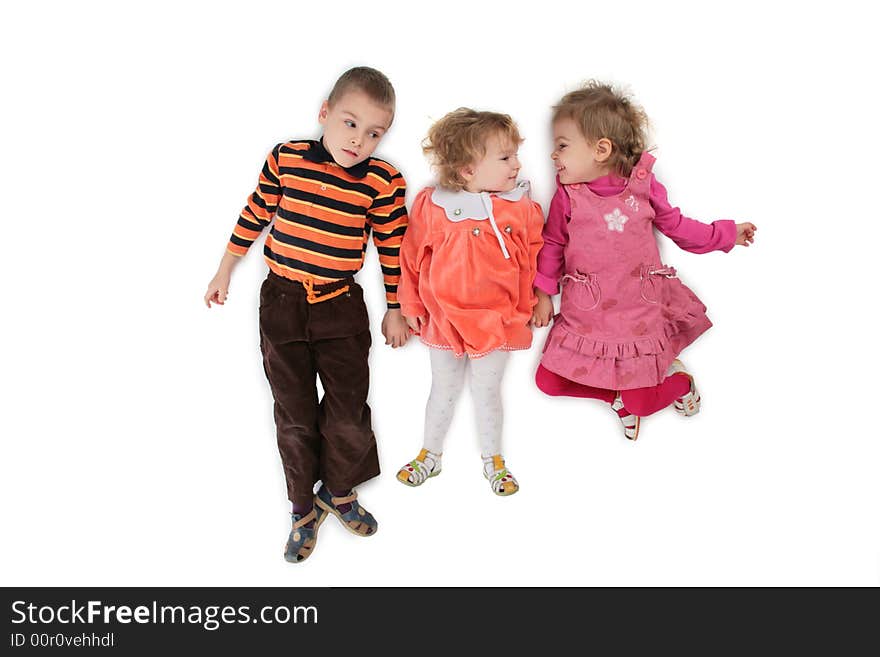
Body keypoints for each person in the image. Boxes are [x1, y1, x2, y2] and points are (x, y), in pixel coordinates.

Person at [203, 67, 409, 563]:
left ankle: (338, 492)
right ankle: (301, 507)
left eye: (375, 132)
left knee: (348, 413)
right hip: (282, 303)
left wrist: (397, 308)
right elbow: (256, 212)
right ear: (325, 114)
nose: (359, 140)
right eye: (350, 123)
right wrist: (225, 269)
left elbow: (392, 247)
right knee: (294, 415)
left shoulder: (383, 181)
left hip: (341, 306)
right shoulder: (288, 158)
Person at [532, 81, 757, 440]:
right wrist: (543, 292)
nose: (552, 156)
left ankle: (681, 384)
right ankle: (616, 398)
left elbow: (679, 228)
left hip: (638, 314)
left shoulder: (643, 185)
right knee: (548, 381)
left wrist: (726, 233)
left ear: (601, 149)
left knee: (642, 404)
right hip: (586, 316)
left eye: (561, 146)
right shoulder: (567, 197)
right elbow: (553, 242)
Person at [397, 108, 544, 495]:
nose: (516, 164)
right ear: (467, 170)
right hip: (443, 317)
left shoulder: (522, 207)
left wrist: (541, 296)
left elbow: (536, 255)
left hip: (497, 319)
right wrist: (410, 306)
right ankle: (430, 454)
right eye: (505, 157)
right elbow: (411, 257)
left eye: (515, 155)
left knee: (486, 391)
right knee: (442, 388)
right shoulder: (433, 204)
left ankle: (494, 460)